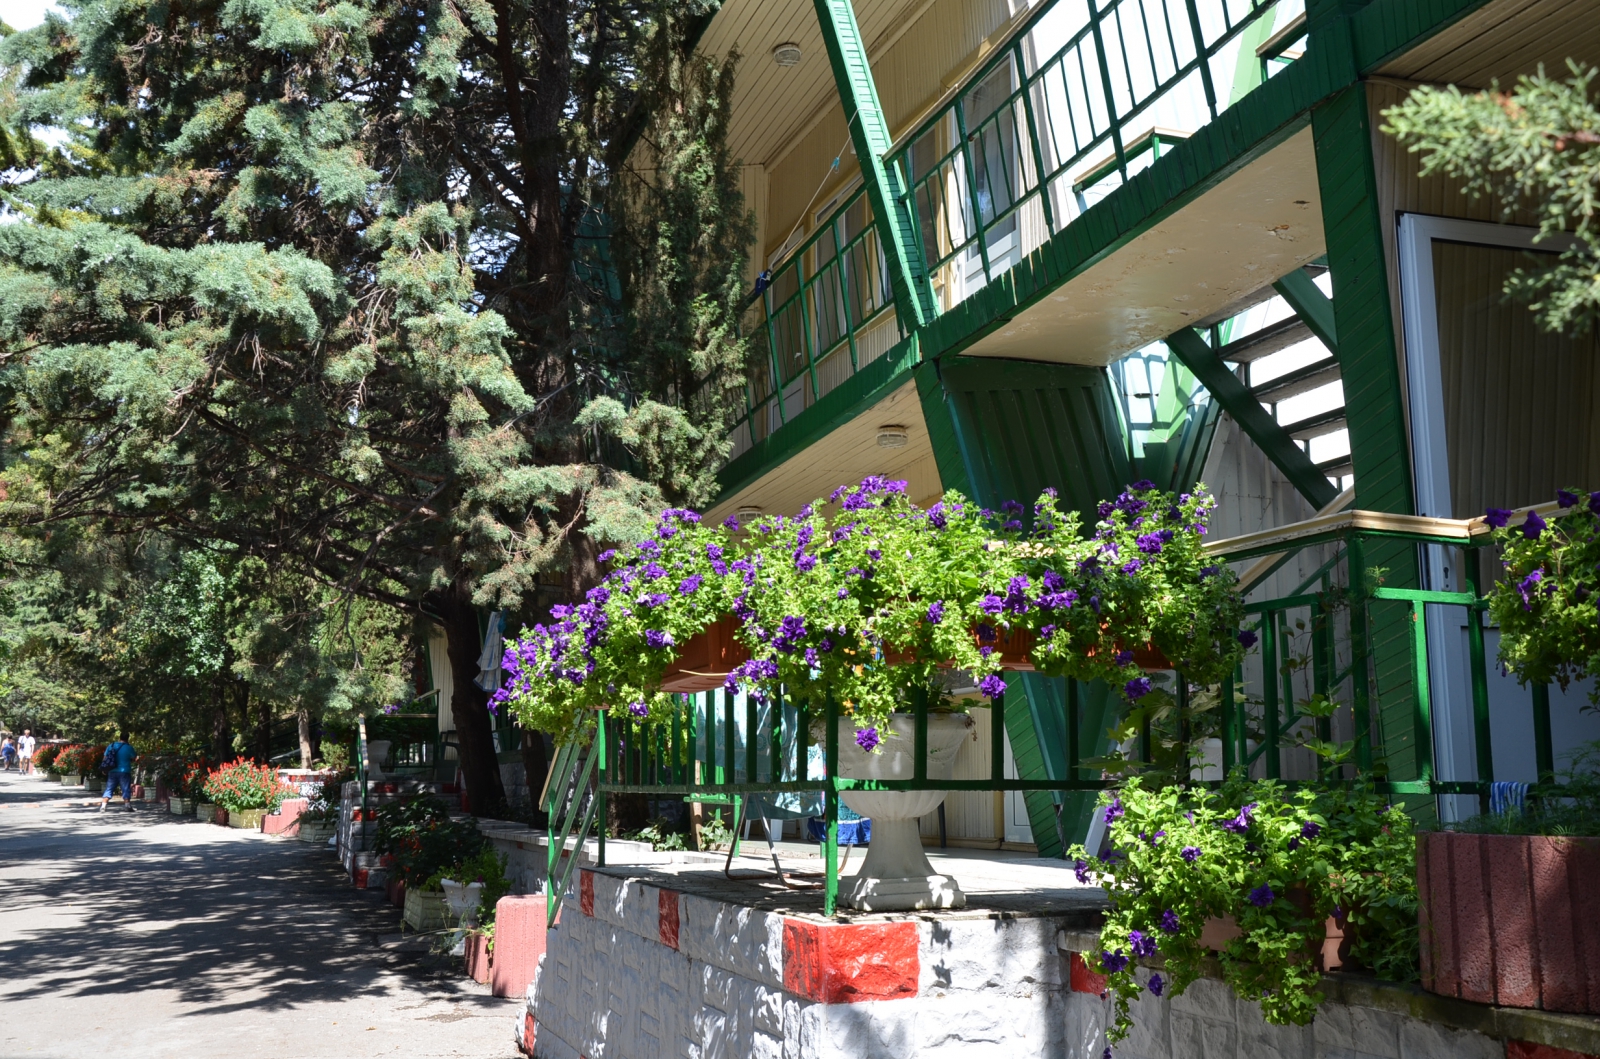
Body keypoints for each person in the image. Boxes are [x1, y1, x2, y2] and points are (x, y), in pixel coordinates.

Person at [100, 732, 137, 812]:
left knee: (109, 788)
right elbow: (134, 758)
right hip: (124, 771)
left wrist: (104, 769)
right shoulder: (129, 747)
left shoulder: (111, 745)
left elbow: (105, 758)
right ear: (128, 738)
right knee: (125, 789)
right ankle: (127, 806)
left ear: (119, 737)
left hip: (112, 770)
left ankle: (103, 806)